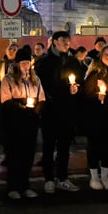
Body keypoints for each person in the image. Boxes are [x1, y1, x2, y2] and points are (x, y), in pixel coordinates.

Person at [33, 31, 81, 193]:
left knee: (64, 146)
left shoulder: (72, 61)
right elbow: (41, 85)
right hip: (50, 110)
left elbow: (78, 79)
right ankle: (48, 179)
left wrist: (75, 88)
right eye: (63, 40)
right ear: (54, 42)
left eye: (68, 40)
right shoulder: (45, 62)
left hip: (67, 109)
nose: (66, 43)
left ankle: (62, 177)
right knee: (48, 145)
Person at [0, 45, 44, 199]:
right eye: (23, 63)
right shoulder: (8, 80)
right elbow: (6, 101)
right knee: (14, 154)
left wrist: (35, 110)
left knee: (28, 155)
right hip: (14, 123)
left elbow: (41, 99)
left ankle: (25, 185)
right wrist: (23, 107)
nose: (25, 66)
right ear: (17, 64)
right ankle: (12, 186)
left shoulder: (35, 80)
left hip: (30, 123)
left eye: (28, 63)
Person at [81, 45, 108, 190]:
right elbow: (86, 94)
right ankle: (94, 177)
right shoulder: (95, 74)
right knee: (94, 146)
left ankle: (104, 176)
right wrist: (97, 96)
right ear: (101, 56)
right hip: (95, 116)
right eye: (106, 54)